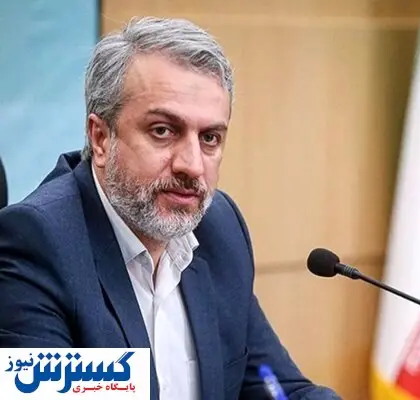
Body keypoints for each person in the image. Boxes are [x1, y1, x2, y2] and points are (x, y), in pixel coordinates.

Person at [0, 16, 341, 400]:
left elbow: (271, 384)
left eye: (210, 138)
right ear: (101, 138)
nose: (192, 165)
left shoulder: (219, 229)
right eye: (163, 131)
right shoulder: (37, 244)